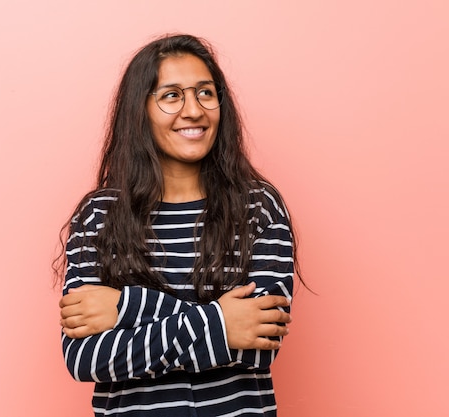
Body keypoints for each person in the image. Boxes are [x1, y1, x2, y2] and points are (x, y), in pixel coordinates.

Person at [55, 33, 302, 417]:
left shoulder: (259, 209)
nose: (194, 110)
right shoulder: (98, 217)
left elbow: (258, 343)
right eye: (172, 95)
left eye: (205, 92)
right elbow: (85, 357)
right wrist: (220, 322)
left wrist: (124, 307)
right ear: (141, 109)